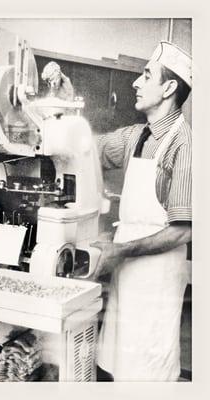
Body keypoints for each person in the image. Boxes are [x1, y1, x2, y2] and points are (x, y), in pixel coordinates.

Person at [91, 41, 192, 381]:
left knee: (147, 375)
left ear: (169, 87)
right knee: (119, 369)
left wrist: (119, 249)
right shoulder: (138, 137)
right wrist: (53, 124)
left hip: (156, 284)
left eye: (146, 75)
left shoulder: (186, 145)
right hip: (127, 278)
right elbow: (90, 148)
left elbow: (184, 230)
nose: (136, 82)